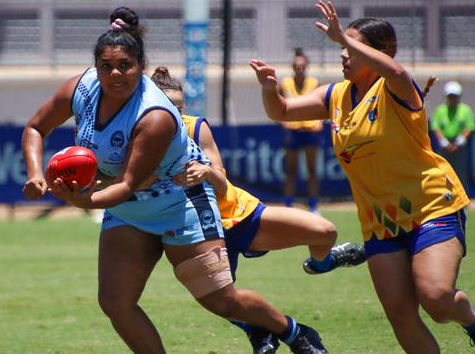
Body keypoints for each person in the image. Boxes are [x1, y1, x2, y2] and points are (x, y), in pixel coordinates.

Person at [22, 7, 327, 354]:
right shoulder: (83, 87)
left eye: (125, 65)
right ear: (96, 66)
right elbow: (36, 127)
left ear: (141, 65)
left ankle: (293, 331)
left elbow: (127, 185)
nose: (115, 74)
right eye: (106, 66)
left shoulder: (155, 115)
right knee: (115, 302)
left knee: (220, 300)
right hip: (129, 210)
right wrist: (36, 175)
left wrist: (79, 201)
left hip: (180, 205)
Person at [250, 0, 475, 354]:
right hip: (380, 221)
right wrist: (268, 87)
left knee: (437, 299)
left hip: (430, 206)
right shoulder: (336, 95)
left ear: (382, 52)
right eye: (341, 47)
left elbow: (396, 72)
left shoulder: (396, 87)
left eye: (351, 48)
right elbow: (283, 110)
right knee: (401, 316)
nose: (343, 55)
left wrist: (346, 39)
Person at [150, 65, 366, 354]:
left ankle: (322, 263)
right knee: (221, 299)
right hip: (198, 232)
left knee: (324, 231)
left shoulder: (194, 126)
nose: (175, 114)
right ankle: (261, 330)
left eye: (179, 107)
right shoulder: (143, 139)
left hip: (239, 214)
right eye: (168, 107)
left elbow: (223, 186)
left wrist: (206, 172)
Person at [279, 48, 322, 213]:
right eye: (297, 66)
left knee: (311, 169)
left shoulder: (314, 82)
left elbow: (320, 105)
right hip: (293, 130)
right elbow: (279, 104)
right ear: (292, 67)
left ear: (307, 66)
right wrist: (283, 122)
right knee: (291, 169)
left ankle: (313, 205)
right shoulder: (285, 83)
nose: (300, 69)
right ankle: (288, 204)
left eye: (302, 66)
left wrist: (318, 122)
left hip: (311, 130)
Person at [431, 81, 475, 189]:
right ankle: (445, 197)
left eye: (455, 96)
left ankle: (462, 198)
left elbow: (469, 127)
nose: (453, 99)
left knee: (460, 172)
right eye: (450, 96)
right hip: (444, 146)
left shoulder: (465, 110)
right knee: (443, 172)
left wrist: (458, 142)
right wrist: (444, 142)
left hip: (459, 146)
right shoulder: (440, 111)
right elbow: (436, 127)